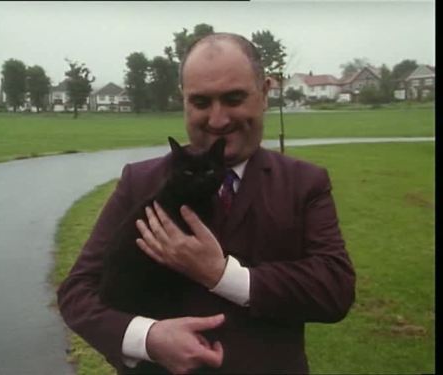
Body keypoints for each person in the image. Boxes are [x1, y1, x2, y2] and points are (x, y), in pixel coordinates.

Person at [57, 32, 356, 374]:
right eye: (200, 103)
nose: (218, 120)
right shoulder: (139, 182)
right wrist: (147, 337)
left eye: (234, 98)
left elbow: (335, 289)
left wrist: (222, 275)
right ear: (183, 100)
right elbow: (77, 292)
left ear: (265, 93)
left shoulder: (304, 183)